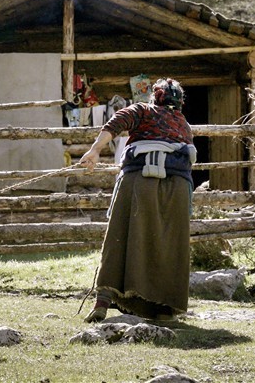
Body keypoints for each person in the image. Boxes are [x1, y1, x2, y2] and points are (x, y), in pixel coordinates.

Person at [79, 78, 196, 322]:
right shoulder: (183, 124)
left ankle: (103, 302)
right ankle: (163, 310)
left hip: (140, 180)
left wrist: (95, 150)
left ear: (156, 97)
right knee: (169, 244)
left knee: (119, 235)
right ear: (179, 101)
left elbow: (116, 122)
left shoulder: (143, 110)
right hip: (178, 188)